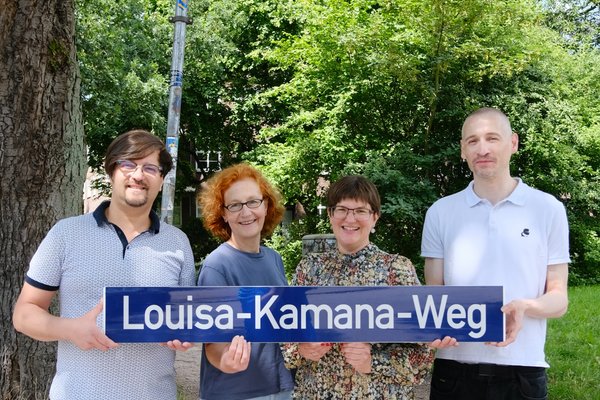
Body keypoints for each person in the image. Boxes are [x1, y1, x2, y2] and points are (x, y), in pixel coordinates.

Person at [12, 129, 196, 400]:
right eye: (128, 164)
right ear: (111, 171)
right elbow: (24, 315)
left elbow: (185, 319)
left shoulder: (178, 243)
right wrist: (71, 329)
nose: (138, 175)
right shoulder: (66, 234)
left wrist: (185, 333)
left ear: (161, 179)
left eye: (150, 167)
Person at [421, 107, 570, 400]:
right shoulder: (440, 212)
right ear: (463, 150)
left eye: (492, 138)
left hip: (522, 372)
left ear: (512, 143)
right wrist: (433, 330)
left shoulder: (548, 209)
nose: (483, 148)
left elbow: (559, 299)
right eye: (473, 141)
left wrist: (525, 306)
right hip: (453, 370)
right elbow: (433, 296)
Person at [283, 175, 434, 399]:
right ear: (331, 215)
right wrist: (301, 350)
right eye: (342, 209)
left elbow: (424, 354)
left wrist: (374, 361)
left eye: (360, 211)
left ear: (375, 217)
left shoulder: (396, 270)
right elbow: (283, 338)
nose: (350, 218)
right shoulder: (309, 270)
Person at [197, 162, 294, 400]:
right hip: (237, 392)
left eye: (253, 201)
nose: (246, 212)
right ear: (223, 213)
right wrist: (225, 360)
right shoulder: (216, 266)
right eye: (235, 205)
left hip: (281, 388)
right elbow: (212, 344)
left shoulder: (274, 259)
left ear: (266, 205)